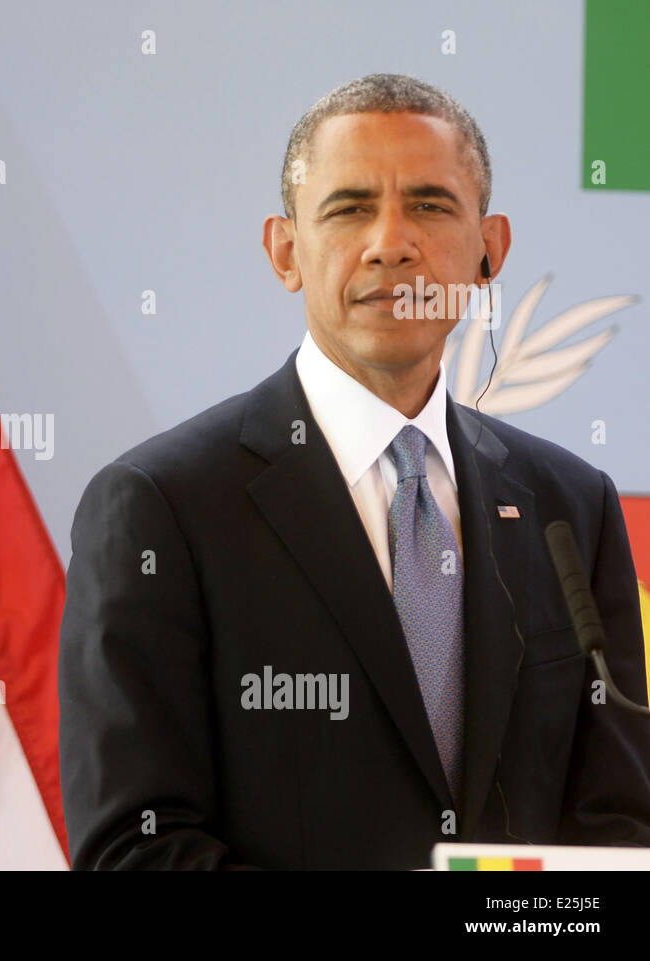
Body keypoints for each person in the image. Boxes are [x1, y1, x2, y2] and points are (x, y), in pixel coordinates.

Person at [57, 73, 650, 870]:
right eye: (349, 208)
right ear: (285, 250)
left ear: (489, 250)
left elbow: (621, 824)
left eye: (432, 205)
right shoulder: (160, 508)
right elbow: (132, 846)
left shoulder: (570, 506)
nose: (391, 241)